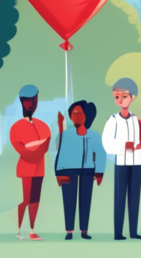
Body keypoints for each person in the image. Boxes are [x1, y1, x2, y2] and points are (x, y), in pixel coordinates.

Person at [102, 78, 141, 240]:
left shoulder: (136, 119)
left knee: (135, 198)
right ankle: (118, 233)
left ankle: (133, 232)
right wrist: (123, 146)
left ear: (132, 97)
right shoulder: (113, 120)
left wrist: (139, 146)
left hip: (137, 163)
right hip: (121, 163)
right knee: (120, 199)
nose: (120, 100)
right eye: (117, 96)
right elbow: (107, 143)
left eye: (124, 96)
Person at [55, 101, 106, 240]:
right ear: (70, 116)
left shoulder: (94, 135)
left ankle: (84, 230)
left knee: (86, 200)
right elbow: (60, 150)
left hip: (88, 171)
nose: (78, 116)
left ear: (86, 115)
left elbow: (101, 153)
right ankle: (69, 231)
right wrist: (59, 173)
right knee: (69, 200)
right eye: (74, 113)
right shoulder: (66, 134)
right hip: (69, 170)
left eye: (80, 113)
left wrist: (99, 172)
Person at [9, 84, 51, 241]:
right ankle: (19, 229)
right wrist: (35, 150)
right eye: (26, 100)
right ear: (21, 102)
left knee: (35, 200)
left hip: (39, 170)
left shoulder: (43, 126)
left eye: (33, 100)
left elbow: (46, 145)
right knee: (26, 199)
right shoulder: (16, 127)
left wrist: (35, 149)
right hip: (26, 169)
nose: (30, 104)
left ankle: (32, 230)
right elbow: (23, 151)